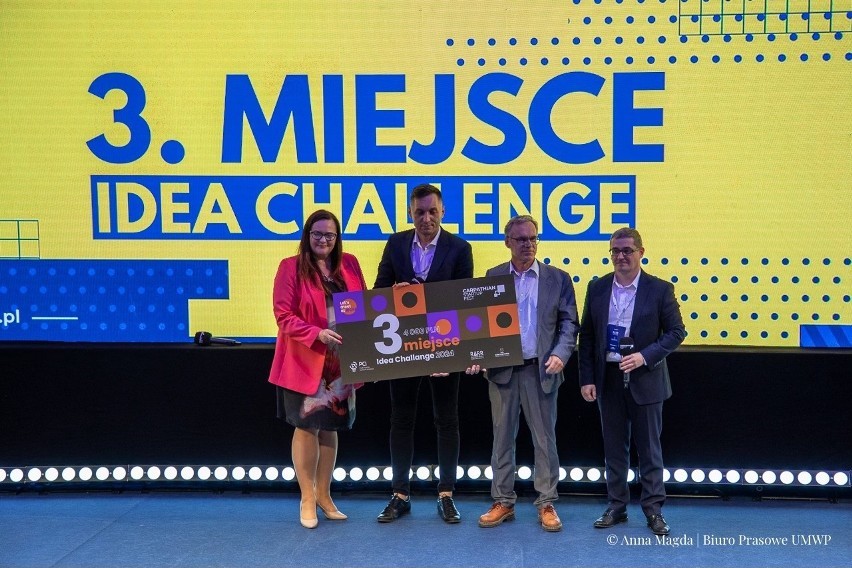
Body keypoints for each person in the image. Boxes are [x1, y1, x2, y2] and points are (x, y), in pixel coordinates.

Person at [466, 215, 578, 532]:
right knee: (502, 439)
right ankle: (503, 501)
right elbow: (478, 324)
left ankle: (547, 503)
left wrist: (561, 353)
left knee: (545, 441)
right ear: (507, 242)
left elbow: (570, 323)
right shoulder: (493, 277)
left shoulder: (558, 279)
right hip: (502, 371)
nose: (528, 244)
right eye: (521, 239)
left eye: (532, 238)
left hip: (541, 370)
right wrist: (476, 355)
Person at [374, 183, 474, 524]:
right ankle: (400, 494)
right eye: (420, 212)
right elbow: (378, 292)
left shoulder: (459, 248)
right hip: (403, 345)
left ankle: (446, 494)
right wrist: (393, 292)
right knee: (401, 419)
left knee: (447, 420)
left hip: (444, 347)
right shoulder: (395, 243)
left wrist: (452, 355)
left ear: (443, 211)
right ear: (410, 213)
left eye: (432, 211)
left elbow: (464, 300)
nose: (426, 218)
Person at [578, 227, 686, 536]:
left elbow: (676, 332)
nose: (621, 256)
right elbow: (587, 336)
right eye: (615, 251)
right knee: (614, 449)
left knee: (649, 449)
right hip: (608, 378)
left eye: (627, 250)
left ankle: (653, 510)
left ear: (641, 252)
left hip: (645, 377)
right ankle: (617, 506)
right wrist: (587, 378)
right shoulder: (597, 287)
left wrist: (644, 356)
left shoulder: (660, 289)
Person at [268, 209, 368, 529]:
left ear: (337, 238)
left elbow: (364, 305)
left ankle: (324, 495)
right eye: (317, 234)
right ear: (307, 236)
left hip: (340, 363)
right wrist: (316, 333)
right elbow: (283, 316)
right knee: (307, 426)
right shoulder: (290, 267)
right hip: (305, 359)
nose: (323, 240)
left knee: (330, 427)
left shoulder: (349, 263)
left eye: (329, 235)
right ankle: (307, 497)